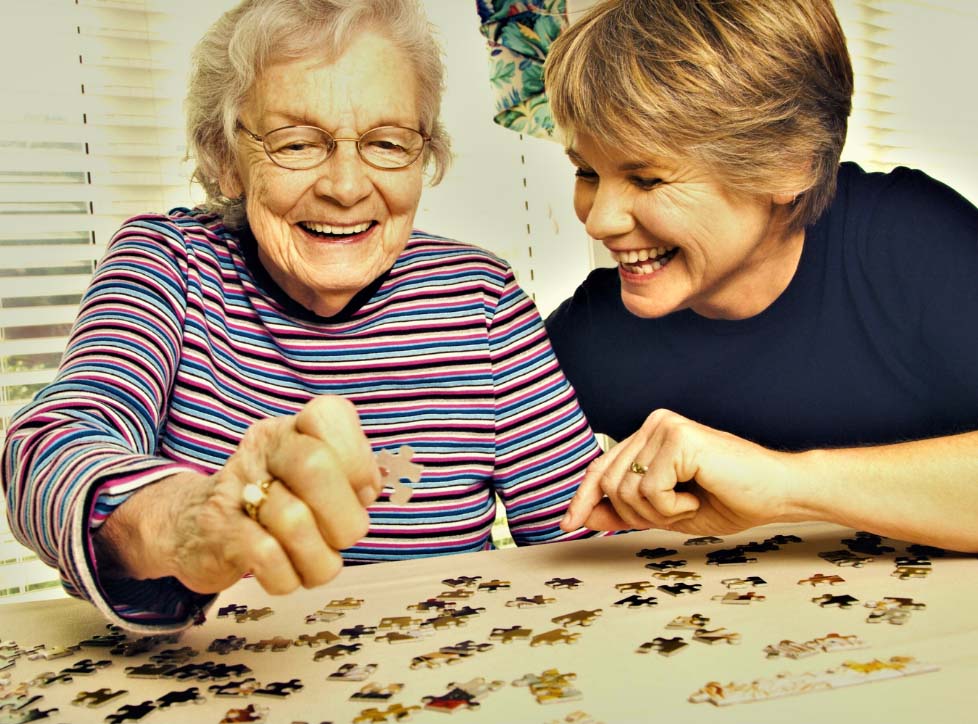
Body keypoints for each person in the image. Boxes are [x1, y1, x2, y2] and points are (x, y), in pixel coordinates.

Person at [1, 0, 600, 632]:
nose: (345, 186)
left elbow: (582, 536)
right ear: (224, 158)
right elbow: (51, 446)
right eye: (297, 143)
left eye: (388, 143)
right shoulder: (168, 262)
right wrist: (186, 519)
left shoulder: (479, 297)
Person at [543, 0, 978, 551]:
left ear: (788, 164)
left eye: (648, 179)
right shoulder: (592, 332)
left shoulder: (912, 241)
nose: (600, 220)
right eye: (586, 172)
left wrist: (782, 485)